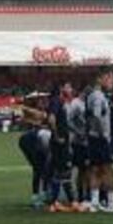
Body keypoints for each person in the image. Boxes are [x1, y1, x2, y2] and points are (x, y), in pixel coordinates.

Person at [86, 69, 113, 213]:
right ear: (99, 79)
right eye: (108, 78)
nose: (111, 81)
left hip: (93, 137)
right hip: (100, 138)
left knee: (95, 169)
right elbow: (97, 116)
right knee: (109, 169)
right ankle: (111, 203)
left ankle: (95, 202)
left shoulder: (93, 95)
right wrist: (103, 134)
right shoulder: (98, 96)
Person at [46, 83, 78, 212]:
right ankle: (67, 202)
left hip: (60, 142)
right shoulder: (56, 101)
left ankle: (55, 202)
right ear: (61, 89)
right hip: (60, 143)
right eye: (68, 87)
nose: (71, 89)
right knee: (64, 171)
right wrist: (57, 136)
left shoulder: (58, 102)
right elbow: (51, 118)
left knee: (59, 172)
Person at [67, 83, 92, 209]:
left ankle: (87, 195)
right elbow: (68, 120)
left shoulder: (87, 103)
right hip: (79, 142)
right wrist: (78, 132)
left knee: (87, 169)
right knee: (81, 169)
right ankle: (81, 195)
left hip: (88, 140)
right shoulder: (75, 104)